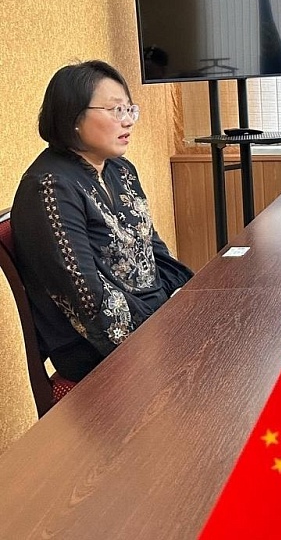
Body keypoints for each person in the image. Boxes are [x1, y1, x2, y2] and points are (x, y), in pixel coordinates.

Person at [11, 60, 193, 382]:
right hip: (98, 349)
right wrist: (165, 331)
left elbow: (154, 251)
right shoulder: (49, 188)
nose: (128, 120)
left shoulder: (120, 170)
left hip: (154, 320)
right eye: (115, 110)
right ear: (73, 117)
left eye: (129, 109)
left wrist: (186, 297)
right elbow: (88, 300)